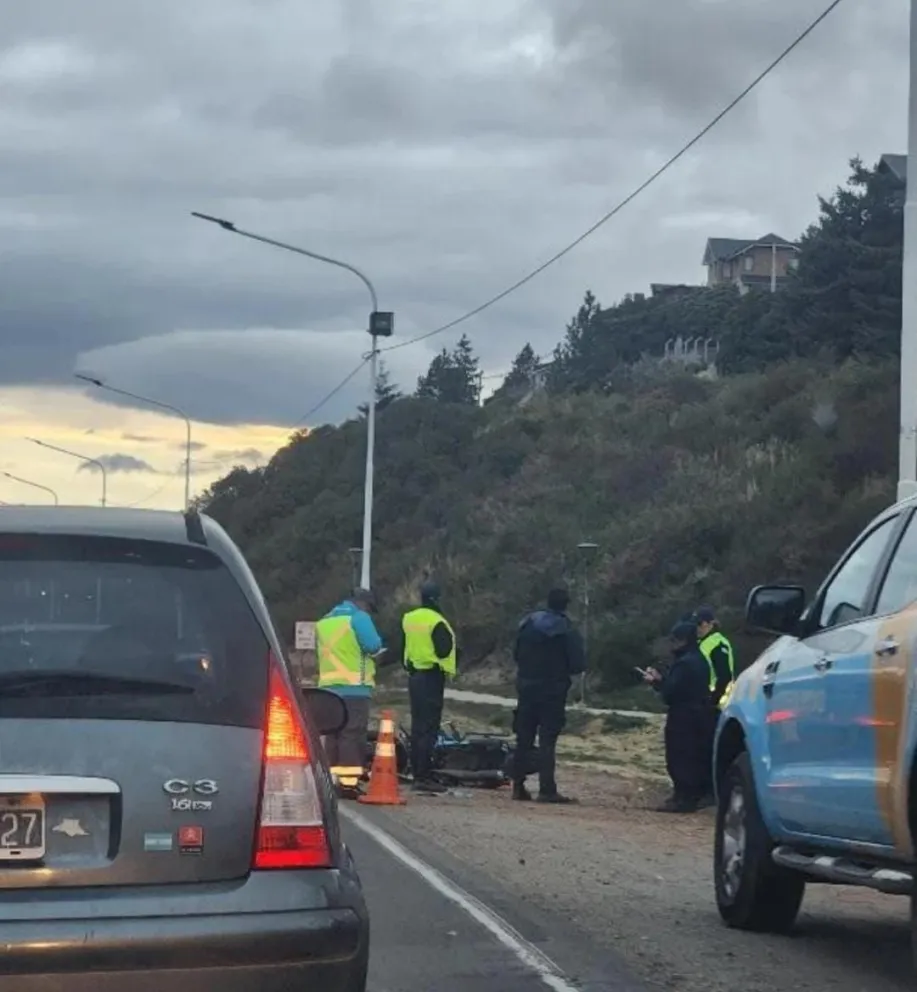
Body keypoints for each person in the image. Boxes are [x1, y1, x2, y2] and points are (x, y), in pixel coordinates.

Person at [512, 587, 585, 804]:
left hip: (526, 687)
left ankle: (518, 786)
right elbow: (577, 664)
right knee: (547, 740)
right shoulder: (566, 630)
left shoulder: (527, 624)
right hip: (553, 690)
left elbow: (516, 654)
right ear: (565, 605)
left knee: (523, 737)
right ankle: (547, 789)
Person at [315, 587, 385, 796]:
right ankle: (348, 783)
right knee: (352, 734)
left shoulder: (324, 621)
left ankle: (330, 781)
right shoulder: (359, 618)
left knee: (333, 734)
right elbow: (373, 645)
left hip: (328, 687)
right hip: (354, 687)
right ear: (363, 604)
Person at [643, 619, 712, 813]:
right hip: (699, 713)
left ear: (683, 640)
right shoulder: (698, 659)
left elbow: (671, 692)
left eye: (675, 639)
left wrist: (656, 682)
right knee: (693, 756)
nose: (672, 643)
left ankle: (683, 798)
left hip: (683, 715)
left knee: (679, 757)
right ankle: (690, 796)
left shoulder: (684, 664)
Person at [401, 580, 457, 794]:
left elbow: (404, 647)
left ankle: (418, 772)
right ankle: (423, 776)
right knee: (429, 728)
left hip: (415, 675)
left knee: (418, 727)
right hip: (431, 676)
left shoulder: (410, 618)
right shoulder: (437, 620)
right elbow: (443, 649)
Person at [693, 605, 736, 710]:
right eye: (695, 624)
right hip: (703, 702)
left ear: (710, 624)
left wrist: (712, 701)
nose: (697, 627)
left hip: (718, 704)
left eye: (700, 624)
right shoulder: (701, 642)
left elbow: (725, 676)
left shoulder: (718, 643)